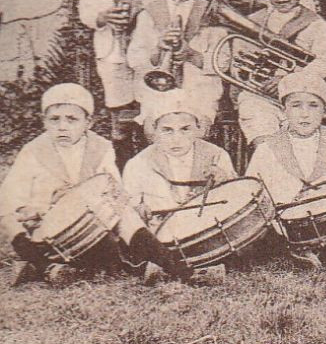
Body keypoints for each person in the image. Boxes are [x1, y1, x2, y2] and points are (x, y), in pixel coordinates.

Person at [3, 84, 192, 286]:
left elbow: (114, 189)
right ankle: (45, 267)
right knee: (7, 219)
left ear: (88, 122)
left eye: (72, 119)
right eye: (54, 119)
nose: (62, 126)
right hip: (48, 230)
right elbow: (11, 196)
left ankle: (176, 267)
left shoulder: (101, 147)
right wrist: (30, 209)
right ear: (44, 122)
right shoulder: (33, 151)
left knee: (124, 212)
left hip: (95, 229)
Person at [243, 69, 326, 268]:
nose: (304, 114)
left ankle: (315, 251)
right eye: (296, 106)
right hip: (285, 224)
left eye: (313, 106)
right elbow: (253, 191)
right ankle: (297, 250)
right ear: (284, 111)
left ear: (325, 111)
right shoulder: (268, 148)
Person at [78, 0, 162, 164]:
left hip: (150, 49)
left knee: (153, 107)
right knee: (121, 112)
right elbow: (86, 8)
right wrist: (102, 16)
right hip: (113, 49)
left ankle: (156, 163)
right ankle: (123, 165)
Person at [122, 87, 236, 284]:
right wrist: (139, 209)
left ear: (198, 129)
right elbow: (130, 205)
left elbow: (236, 197)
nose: (177, 138)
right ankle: (180, 267)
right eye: (167, 130)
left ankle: (173, 268)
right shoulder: (139, 163)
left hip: (205, 233)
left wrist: (224, 180)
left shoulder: (216, 155)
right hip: (160, 235)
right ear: (154, 131)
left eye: (185, 129)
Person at [232, 0, 326, 146]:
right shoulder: (254, 21)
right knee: (254, 114)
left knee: (299, 132)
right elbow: (239, 60)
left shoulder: (315, 24)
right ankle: (267, 157)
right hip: (260, 93)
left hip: (301, 93)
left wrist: (288, 79)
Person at [126, 0, 226, 134]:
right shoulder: (148, 15)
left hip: (200, 93)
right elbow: (135, 58)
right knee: (156, 131)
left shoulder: (213, 13)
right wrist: (159, 50)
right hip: (157, 92)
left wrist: (191, 55)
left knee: (196, 133)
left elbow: (223, 63)